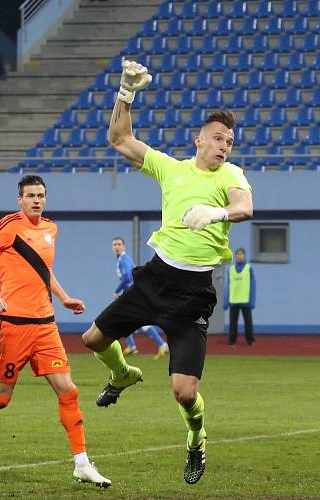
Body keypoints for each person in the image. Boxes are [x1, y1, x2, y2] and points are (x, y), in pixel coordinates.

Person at [80, 60, 253, 485]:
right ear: (199, 140)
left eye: (229, 141)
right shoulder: (170, 168)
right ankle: (122, 374)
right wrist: (126, 91)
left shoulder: (231, 175)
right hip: (155, 278)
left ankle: (197, 440)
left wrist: (215, 213)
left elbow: (245, 208)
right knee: (92, 339)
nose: (224, 146)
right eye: (217, 138)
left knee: (184, 391)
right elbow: (119, 139)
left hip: (193, 292)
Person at [0, 175, 111, 488]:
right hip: (12, 327)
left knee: (69, 390)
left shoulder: (50, 229)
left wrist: (63, 298)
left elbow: (44, 270)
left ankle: (82, 463)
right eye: (31, 195)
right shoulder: (8, 226)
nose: (37, 200)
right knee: (0, 398)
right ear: (19, 199)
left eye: (41, 195)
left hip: (46, 326)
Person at [111, 236, 169, 358]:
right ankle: (137, 346)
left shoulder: (123, 259)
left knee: (132, 319)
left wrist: (117, 291)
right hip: (134, 291)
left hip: (133, 293)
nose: (117, 247)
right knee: (131, 319)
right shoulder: (122, 259)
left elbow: (127, 277)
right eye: (114, 244)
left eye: (119, 244)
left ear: (124, 246)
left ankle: (159, 345)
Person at [224, 247, 255, 346]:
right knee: (233, 324)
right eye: (238, 254)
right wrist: (226, 300)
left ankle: (250, 341)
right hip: (233, 300)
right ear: (235, 256)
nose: (240, 256)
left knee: (248, 323)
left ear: (244, 256)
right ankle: (232, 341)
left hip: (245, 300)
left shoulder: (248, 268)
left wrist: (252, 300)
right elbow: (228, 285)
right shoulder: (231, 269)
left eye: (241, 254)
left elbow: (253, 285)